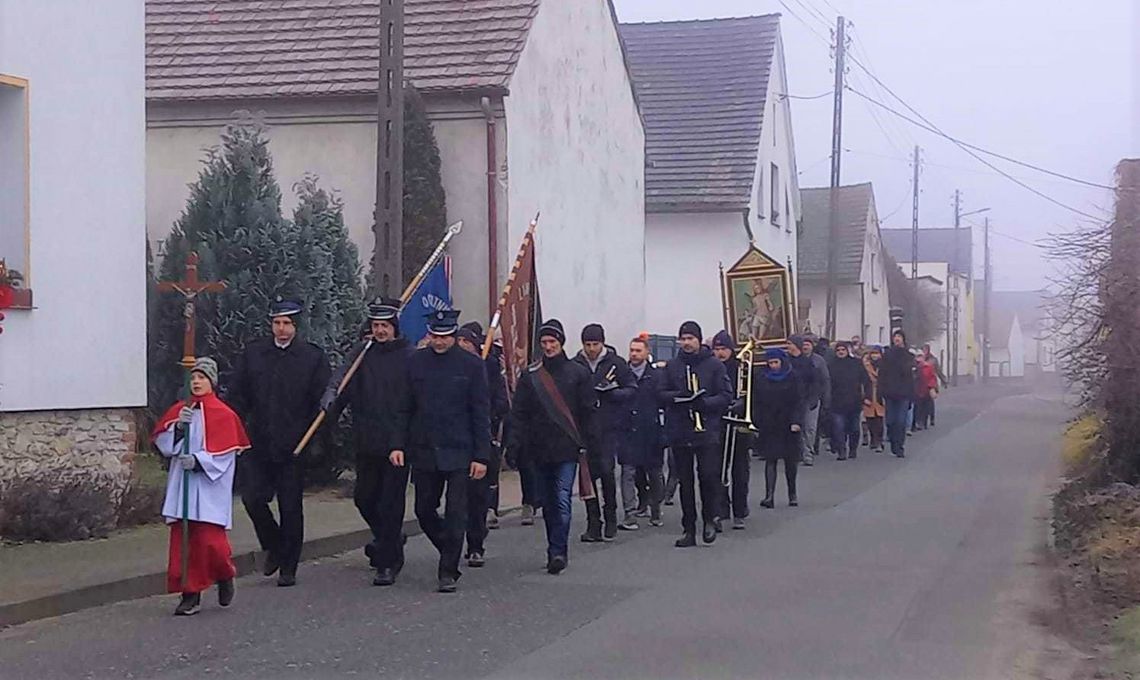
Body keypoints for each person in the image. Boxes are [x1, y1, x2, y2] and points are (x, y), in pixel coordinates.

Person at [228, 298, 329, 587]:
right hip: (258, 441)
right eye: (277, 323)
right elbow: (238, 395)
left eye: (287, 324)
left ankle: (289, 565)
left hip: (294, 444)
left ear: (297, 326)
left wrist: (315, 441)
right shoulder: (254, 354)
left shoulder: (312, 358)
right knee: (253, 498)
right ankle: (273, 544)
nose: (281, 329)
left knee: (290, 506)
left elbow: (321, 405)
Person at [391, 309, 490, 593]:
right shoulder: (415, 362)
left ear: (454, 335)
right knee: (424, 509)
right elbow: (403, 407)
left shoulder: (471, 365)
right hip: (423, 448)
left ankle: (448, 570)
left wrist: (481, 455)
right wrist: (397, 444)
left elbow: (480, 412)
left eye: (445, 336)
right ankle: (450, 545)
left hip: (460, 449)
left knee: (457, 511)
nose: (439, 341)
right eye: (435, 335)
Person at [322, 297, 413, 586]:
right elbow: (342, 383)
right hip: (367, 439)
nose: (380, 331)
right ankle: (391, 536)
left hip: (397, 443)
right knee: (364, 497)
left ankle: (388, 562)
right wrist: (331, 401)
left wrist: (406, 439)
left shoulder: (408, 357)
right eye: (376, 325)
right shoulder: (362, 353)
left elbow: (413, 402)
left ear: (395, 327)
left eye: (385, 325)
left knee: (390, 503)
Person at [153, 358, 250, 616]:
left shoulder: (224, 415)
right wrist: (178, 430)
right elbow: (164, 444)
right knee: (185, 543)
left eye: (202, 378)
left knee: (210, 542)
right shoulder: (180, 411)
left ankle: (224, 574)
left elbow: (225, 455)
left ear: (212, 382)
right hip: (182, 485)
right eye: (193, 378)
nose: (196, 382)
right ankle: (190, 594)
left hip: (207, 487)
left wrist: (198, 461)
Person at [508, 319, 595, 574]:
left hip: (568, 448)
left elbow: (588, 412)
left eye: (552, 342)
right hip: (538, 448)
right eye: (544, 342)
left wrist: (591, 445)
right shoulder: (531, 376)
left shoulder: (578, 373)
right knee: (547, 502)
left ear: (561, 343)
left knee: (561, 499)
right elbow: (519, 413)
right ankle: (552, 545)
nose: (548, 347)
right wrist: (513, 443)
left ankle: (559, 551)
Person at [660, 321, 732, 547]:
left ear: (699, 340)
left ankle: (710, 519)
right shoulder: (672, 366)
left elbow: (725, 395)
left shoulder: (714, 366)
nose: (687, 342)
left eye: (691, 338)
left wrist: (705, 403)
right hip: (680, 429)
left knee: (708, 477)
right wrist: (678, 397)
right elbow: (660, 394)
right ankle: (688, 528)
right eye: (683, 338)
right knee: (686, 481)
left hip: (707, 429)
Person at [572, 323, 636, 541]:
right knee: (587, 477)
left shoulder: (615, 363)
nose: (591, 349)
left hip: (608, 427)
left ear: (603, 342)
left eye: (595, 344)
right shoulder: (576, 365)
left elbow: (631, 388)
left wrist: (614, 393)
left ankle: (610, 517)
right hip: (583, 429)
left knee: (607, 472)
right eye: (588, 344)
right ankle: (593, 522)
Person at [456, 323, 509, 567]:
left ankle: (476, 544)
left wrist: (486, 414)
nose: (462, 347)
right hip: (455, 441)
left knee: (477, 496)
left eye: (467, 343)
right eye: (460, 342)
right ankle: (455, 543)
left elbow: (502, 402)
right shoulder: (451, 366)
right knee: (458, 498)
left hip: (481, 438)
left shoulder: (488, 367)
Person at [622, 333, 666, 529]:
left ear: (647, 352)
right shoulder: (622, 373)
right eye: (632, 350)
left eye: (638, 350)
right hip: (628, 430)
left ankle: (655, 509)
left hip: (651, 430)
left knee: (654, 473)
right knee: (628, 472)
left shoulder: (656, 376)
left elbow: (663, 401)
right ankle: (629, 514)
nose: (634, 354)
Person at [751, 348, 804, 508]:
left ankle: (792, 494)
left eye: (776, 362)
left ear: (782, 361)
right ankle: (769, 496)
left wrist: (796, 421)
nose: (773, 366)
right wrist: (756, 422)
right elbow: (756, 401)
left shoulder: (792, 376)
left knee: (790, 461)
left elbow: (798, 401)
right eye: (770, 362)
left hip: (788, 423)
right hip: (769, 424)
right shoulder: (761, 377)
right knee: (770, 459)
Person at [712, 330, 752, 530]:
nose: (720, 353)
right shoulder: (711, 368)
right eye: (717, 349)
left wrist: (742, 404)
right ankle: (720, 508)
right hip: (717, 423)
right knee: (716, 469)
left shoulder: (742, 368)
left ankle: (740, 511)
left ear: (731, 350)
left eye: (723, 349)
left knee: (740, 470)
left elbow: (753, 393)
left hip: (739, 425)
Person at [827, 341, 868, 461]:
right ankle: (842, 450)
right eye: (838, 350)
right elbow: (826, 383)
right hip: (837, 402)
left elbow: (865, 380)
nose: (840, 352)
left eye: (843, 350)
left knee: (854, 428)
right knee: (839, 428)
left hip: (854, 402)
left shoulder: (856, 364)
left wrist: (866, 396)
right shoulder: (831, 365)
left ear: (847, 351)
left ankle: (853, 448)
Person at [880, 330, 916, 458]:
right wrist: (881, 391)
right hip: (889, 393)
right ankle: (893, 442)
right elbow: (882, 374)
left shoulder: (908, 356)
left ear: (903, 339)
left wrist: (912, 395)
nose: (897, 339)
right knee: (890, 421)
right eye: (895, 336)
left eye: (899, 336)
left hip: (904, 393)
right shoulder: (887, 355)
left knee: (900, 421)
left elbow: (911, 378)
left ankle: (899, 446)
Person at [799, 335, 831, 466]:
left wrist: (826, 397)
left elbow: (825, 380)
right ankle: (799, 452)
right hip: (798, 399)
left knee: (810, 427)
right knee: (798, 427)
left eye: (808, 344)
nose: (806, 346)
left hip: (813, 398)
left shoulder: (819, 361)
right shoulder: (796, 360)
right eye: (803, 344)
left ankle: (808, 453)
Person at [862, 346, 886, 452]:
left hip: (880, 394)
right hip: (869, 393)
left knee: (879, 419)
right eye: (873, 353)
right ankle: (873, 438)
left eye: (877, 353)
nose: (875, 355)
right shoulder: (865, 365)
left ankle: (879, 441)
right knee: (870, 419)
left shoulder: (885, 366)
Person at [921, 343, 947, 426]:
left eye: (925, 349)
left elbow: (938, 371)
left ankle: (931, 418)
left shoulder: (933, 360)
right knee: (924, 401)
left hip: (931, 383)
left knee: (930, 401)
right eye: (923, 349)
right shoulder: (920, 359)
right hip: (922, 383)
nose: (924, 351)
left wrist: (943, 380)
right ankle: (924, 419)